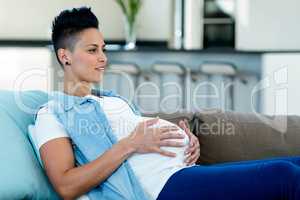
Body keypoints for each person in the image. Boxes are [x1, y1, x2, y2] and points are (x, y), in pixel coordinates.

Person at [33, 7, 300, 200]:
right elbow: (66, 186)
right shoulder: (53, 113)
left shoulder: (111, 99)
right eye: (92, 50)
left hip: (182, 170)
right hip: (159, 187)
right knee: (283, 175)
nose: (103, 57)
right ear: (65, 56)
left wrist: (186, 144)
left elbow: (143, 138)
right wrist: (130, 144)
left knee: (295, 162)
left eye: (103, 48)